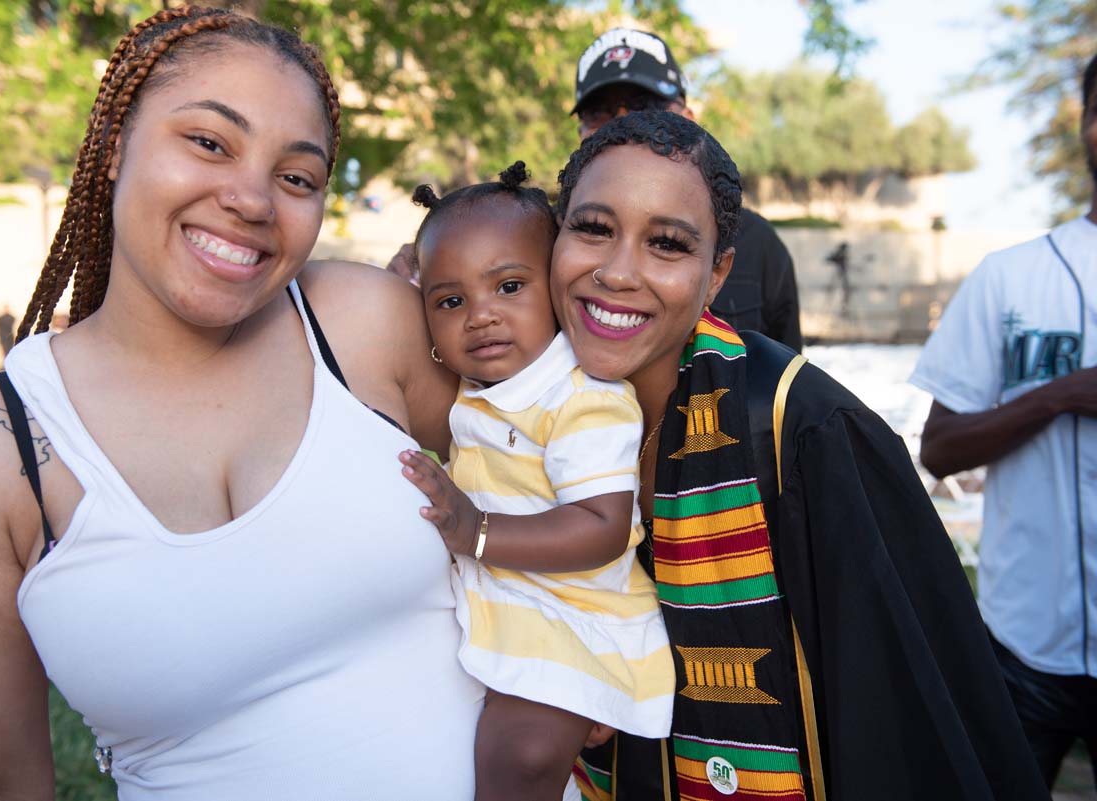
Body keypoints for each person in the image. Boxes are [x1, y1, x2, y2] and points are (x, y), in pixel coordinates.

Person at [0, 8, 484, 800]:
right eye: (209, 142)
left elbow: (549, 452)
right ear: (114, 146)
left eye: (297, 177)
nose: (252, 200)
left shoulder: (362, 322)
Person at [554, 110, 1050, 801]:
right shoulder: (519, 409)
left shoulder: (796, 424)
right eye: (592, 228)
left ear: (717, 273)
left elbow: (898, 727)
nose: (617, 271)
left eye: (666, 243)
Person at [397, 162, 673, 800]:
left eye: (510, 286)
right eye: (451, 301)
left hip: (572, 618)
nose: (481, 316)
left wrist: (476, 531)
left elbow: (603, 527)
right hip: (498, 605)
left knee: (520, 756)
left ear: (555, 286)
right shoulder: (475, 390)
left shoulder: (582, 398)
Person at [909, 52, 1097, 792]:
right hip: (1023, 640)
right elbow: (939, 449)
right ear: (1085, 127)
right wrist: (1057, 396)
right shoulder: (1013, 275)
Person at [570, 28, 802, 351]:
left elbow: (784, 370)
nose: (623, 123)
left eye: (645, 105)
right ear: (581, 131)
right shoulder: (546, 240)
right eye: (598, 112)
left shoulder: (759, 246)